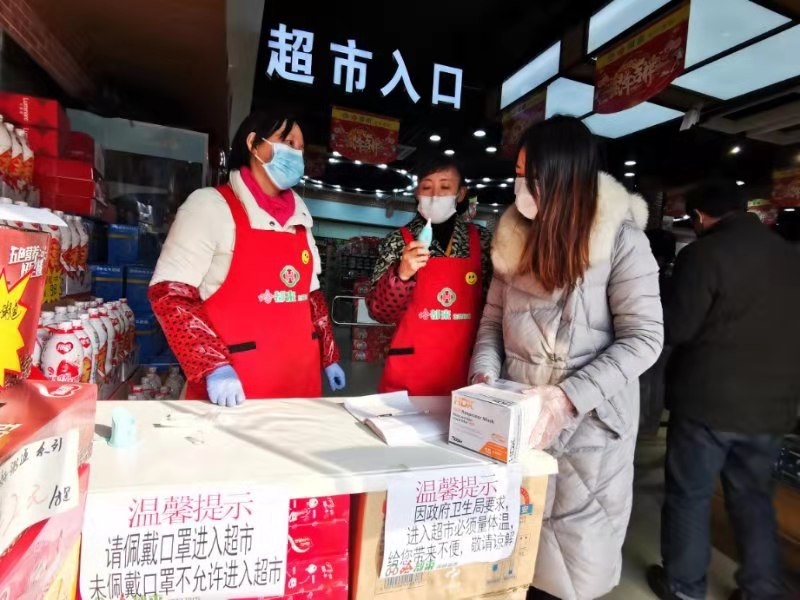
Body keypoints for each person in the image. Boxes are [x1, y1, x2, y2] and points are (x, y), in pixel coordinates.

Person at [470, 116, 663, 600]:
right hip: (518, 425)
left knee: (569, 575)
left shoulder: (621, 241)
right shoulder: (513, 237)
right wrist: (484, 380)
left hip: (589, 436)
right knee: (510, 565)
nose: (519, 186)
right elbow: (492, 322)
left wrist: (564, 399)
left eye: (528, 174)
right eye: (517, 173)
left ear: (562, 175)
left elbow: (645, 339)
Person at [647, 180, 800, 600]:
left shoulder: (704, 255)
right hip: (772, 407)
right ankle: (762, 589)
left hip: (707, 405)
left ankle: (684, 587)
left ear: (699, 217)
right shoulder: (790, 256)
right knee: (754, 497)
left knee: (690, 495)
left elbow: (679, 327)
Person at [148, 110, 346, 405]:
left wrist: (329, 354)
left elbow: (312, 298)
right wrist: (212, 365)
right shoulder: (209, 206)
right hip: (235, 390)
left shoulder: (301, 220)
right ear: (253, 143)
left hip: (300, 385)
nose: (296, 153)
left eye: (300, 148)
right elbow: (169, 294)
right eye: (287, 142)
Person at [366, 156, 492, 395]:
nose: (435, 196)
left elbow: (494, 314)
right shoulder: (398, 241)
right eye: (426, 187)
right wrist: (401, 275)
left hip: (465, 373)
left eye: (445, 187)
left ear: (461, 193)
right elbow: (378, 312)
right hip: (410, 372)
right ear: (416, 192)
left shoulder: (482, 242)